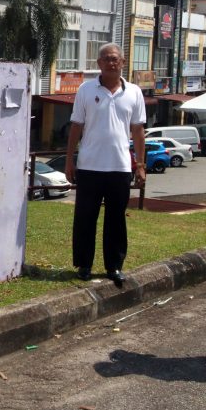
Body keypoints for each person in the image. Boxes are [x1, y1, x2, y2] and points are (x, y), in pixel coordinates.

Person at [65, 43, 147, 285]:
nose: (111, 63)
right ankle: (84, 265)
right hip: (90, 166)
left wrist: (140, 164)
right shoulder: (86, 90)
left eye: (115, 59)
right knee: (85, 218)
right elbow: (76, 126)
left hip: (120, 167)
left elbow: (138, 130)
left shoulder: (134, 92)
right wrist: (70, 160)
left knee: (116, 220)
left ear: (123, 62)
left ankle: (114, 266)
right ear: (99, 63)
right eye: (106, 59)